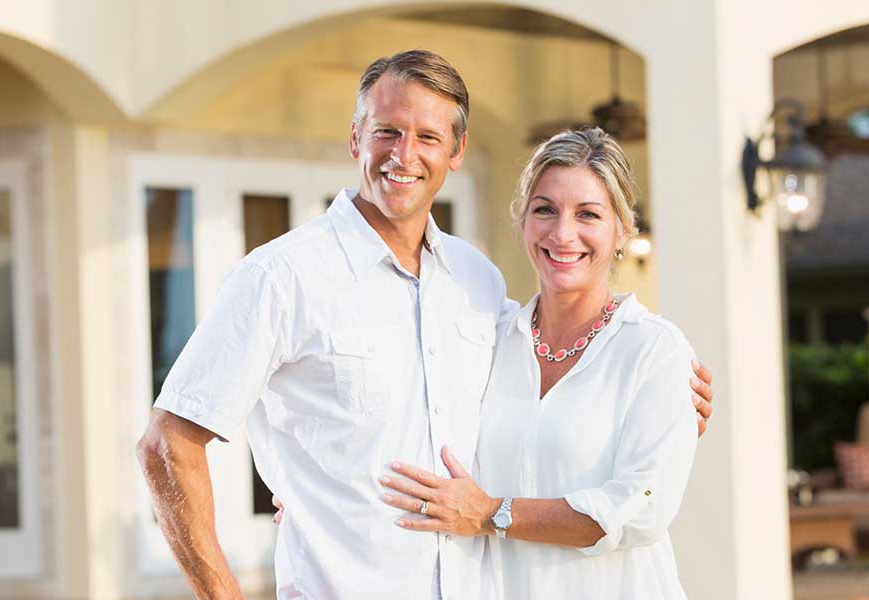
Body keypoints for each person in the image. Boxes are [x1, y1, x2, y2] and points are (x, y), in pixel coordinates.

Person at [136, 50, 713, 600]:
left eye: (429, 137)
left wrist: (662, 409)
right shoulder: (280, 276)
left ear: (456, 151)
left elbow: (563, 427)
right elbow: (167, 446)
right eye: (386, 130)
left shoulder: (477, 285)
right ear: (356, 135)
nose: (404, 154)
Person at [379, 128, 700, 598]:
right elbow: (403, 413)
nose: (562, 233)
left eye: (588, 214)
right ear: (524, 220)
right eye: (545, 209)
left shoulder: (655, 351)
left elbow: (640, 508)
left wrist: (492, 513)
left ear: (621, 231)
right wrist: (319, 492)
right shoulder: (486, 337)